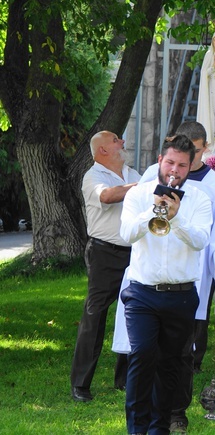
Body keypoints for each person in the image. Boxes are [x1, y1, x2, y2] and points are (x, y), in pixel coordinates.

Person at [127, 122, 215, 432]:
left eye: (184, 163)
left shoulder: (207, 189)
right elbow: (126, 232)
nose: (175, 169)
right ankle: (138, 426)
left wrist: (179, 218)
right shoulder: (145, 184)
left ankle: (170, 417)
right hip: (144, 286)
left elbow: (214, 234)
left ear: (198, 156)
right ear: (162, 158)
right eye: (170, 162)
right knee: (143, 356)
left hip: (185, 282)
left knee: (175, 359)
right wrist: (152, 211)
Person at [70, 131, 140, 402]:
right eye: (115, 140)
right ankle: (80, 384)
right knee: (95, 315)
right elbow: (108, 196)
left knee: (134, 313)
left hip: (136, 252)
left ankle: (124, 380)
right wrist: (140, 187)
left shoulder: (132, 173)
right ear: (102, 150)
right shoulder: (93, 176)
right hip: (105, 253)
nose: (122, 142)